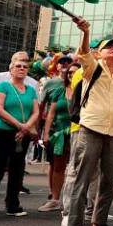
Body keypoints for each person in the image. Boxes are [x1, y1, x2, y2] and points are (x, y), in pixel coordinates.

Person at [65, 18, 113, 226]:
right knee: (82, 179)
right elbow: (84, 53)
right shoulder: (92, 68)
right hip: (90, 130)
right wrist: (85, 32)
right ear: (99, 53)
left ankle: (99, 225)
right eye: (109, 47)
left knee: (108, 181)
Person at [0, 52, 40, 221]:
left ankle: (12, 205)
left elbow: (36, 112)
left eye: (25, 66)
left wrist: (26, 128)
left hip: (22, 135)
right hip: (3, 132)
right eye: (18, 66)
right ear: (11, 69)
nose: (22, 68)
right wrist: (20, 125)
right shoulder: (3, 85)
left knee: (17, 171)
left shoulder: (31, 89)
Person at [38, 62, 79, 212]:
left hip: (79, 132)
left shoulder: (85, 91)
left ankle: (78, 202)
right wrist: (46, 134)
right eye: (69, 73)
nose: (72, 75)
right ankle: (55, 200)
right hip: (60, 133)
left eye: (75, 72)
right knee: (58, 166)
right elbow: (50, 115)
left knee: (79, 168)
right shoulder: (59, 91)